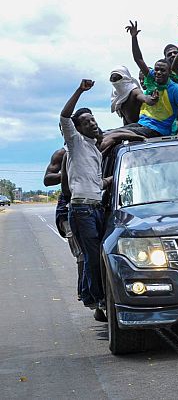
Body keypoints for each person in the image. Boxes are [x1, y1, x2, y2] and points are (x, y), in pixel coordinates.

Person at [60, 79, 112, 321]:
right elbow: (64, 116)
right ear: (77, 129)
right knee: (92, 256)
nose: (92, 123)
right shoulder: (76, 143)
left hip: (95, 208)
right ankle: (98, 300)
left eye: (93, 120)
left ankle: (90, 296)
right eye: (86, 122)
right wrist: (80, 90)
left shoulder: (93, 149)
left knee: (96, 255)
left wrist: (114, 179)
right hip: (81, 210)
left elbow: (97, 183)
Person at [101, 21, 178, 151]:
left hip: (157, 130)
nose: (158, 73)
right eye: (156, 69)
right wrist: (134, 37)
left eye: (162, 70)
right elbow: (138, 59)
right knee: (106, 134)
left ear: (169, 73)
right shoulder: (152, 80)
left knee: (113, 136)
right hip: (141, 124)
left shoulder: (176, 89)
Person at [44, 146, 83, 298]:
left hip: (92, 205)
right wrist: (69, 173)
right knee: (81, 253)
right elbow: (47, 179)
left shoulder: (93, 146)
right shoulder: (62, 153)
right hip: (67, 209)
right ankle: (85, 293)